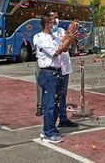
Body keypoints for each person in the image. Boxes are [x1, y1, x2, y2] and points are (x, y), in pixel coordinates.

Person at [34, 13, 76, 144]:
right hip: (48, 73)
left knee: (57, 103)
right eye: (52, 22)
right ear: (47, 24)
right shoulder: (41, 38)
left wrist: (69, 34)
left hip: (57, 72)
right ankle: (48, 133)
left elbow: (63, 46)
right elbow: (56, 52)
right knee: (50, 104)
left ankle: (50, 128)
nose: (55, 24)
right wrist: (68, 39)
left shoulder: (53, 36)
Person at [49, 10, 78, 128]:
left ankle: (63, 118)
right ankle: (51, 122)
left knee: (63, 94)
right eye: (53, 18)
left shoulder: (60, 30)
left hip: (65, 66)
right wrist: (68, 35)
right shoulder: (47, 34)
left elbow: (69, 44)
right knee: (55, 95)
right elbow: (58, 47)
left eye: (57, 17)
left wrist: (72, 34)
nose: (56, 20)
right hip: (55, 67)